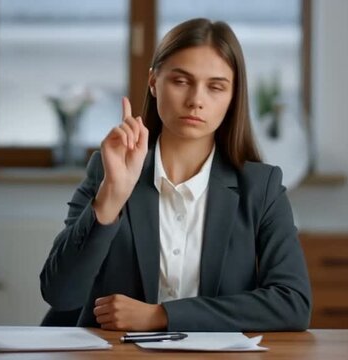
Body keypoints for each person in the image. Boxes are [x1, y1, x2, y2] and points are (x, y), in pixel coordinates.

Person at [40, 18, 311, 332]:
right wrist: (111, 197)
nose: (196, 100)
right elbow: (60, 294)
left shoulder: (262, 187)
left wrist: (162, 315)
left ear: (233, 96)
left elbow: (293, 303)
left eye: (215, 86)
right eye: (181, 81)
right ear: (154, 82)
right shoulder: (108, 169)